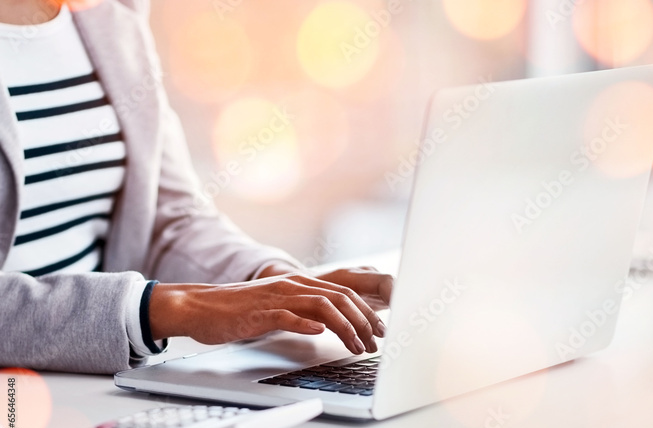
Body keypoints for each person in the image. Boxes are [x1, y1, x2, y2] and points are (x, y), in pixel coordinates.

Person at [0, 0, 392, 374]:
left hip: (86, 384)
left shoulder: (111, 13)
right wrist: (175, 309)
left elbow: (168, 218)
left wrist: (271, 284)